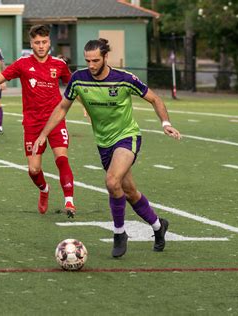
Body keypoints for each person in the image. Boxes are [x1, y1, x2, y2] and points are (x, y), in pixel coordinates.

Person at [33, 38, 181, 258]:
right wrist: (43, 135)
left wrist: (166, 124)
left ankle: (119, 233)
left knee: (112, 181)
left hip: (127, 137)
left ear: (105, 58)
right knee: (129, 192)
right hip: (104, 143)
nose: (91, 65)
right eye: (87, 61)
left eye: (95, 60)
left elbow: (155, 99)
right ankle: (159, 226)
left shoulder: (124, 79)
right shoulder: (78, 79)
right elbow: (63, 107)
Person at [0, 25, 76, 217]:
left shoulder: (59, 65)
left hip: (55, 120)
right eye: (37, 43)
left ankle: (69, 202)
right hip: (32, 123)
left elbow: (74, 85)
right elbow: (0, 78)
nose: (41, 46)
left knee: (61, 158)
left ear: (49, 42)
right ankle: (44, 190)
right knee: (34, 170)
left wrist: (85, 105)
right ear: (31, 43)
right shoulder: (22, 64)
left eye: (44, 42)